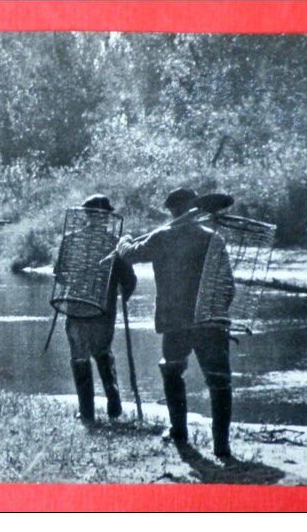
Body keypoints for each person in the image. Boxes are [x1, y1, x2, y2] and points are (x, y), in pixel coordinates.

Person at [116, 188, 236, 458]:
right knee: (219, 381)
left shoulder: (163, 237)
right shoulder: (213, 239)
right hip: (210, 321)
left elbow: (130, 254)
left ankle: (179, 432)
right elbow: (229, 286)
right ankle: (222, 446)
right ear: (194, 209)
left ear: (172, 211)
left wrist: (122, 241)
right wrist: (219, 313)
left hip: (175, 321)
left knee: (172, 371)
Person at [62, 195, 137, 425]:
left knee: (80, 358)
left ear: (86, 215)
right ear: (106, 217)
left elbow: (60, 273)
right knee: (103, 353)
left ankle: (87, 413)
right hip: (104, 311)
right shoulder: (115, 244)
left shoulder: (71, 240)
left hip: (76, 308)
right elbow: (129, 280)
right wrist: (125, 294)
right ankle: (113, 405)